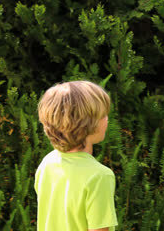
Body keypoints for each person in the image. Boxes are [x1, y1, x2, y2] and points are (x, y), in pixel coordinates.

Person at [35, 81, 118, 231]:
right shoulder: (99, 176)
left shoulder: (47, 163)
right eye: (103, 115)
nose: (107, 119)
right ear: (87, 124)